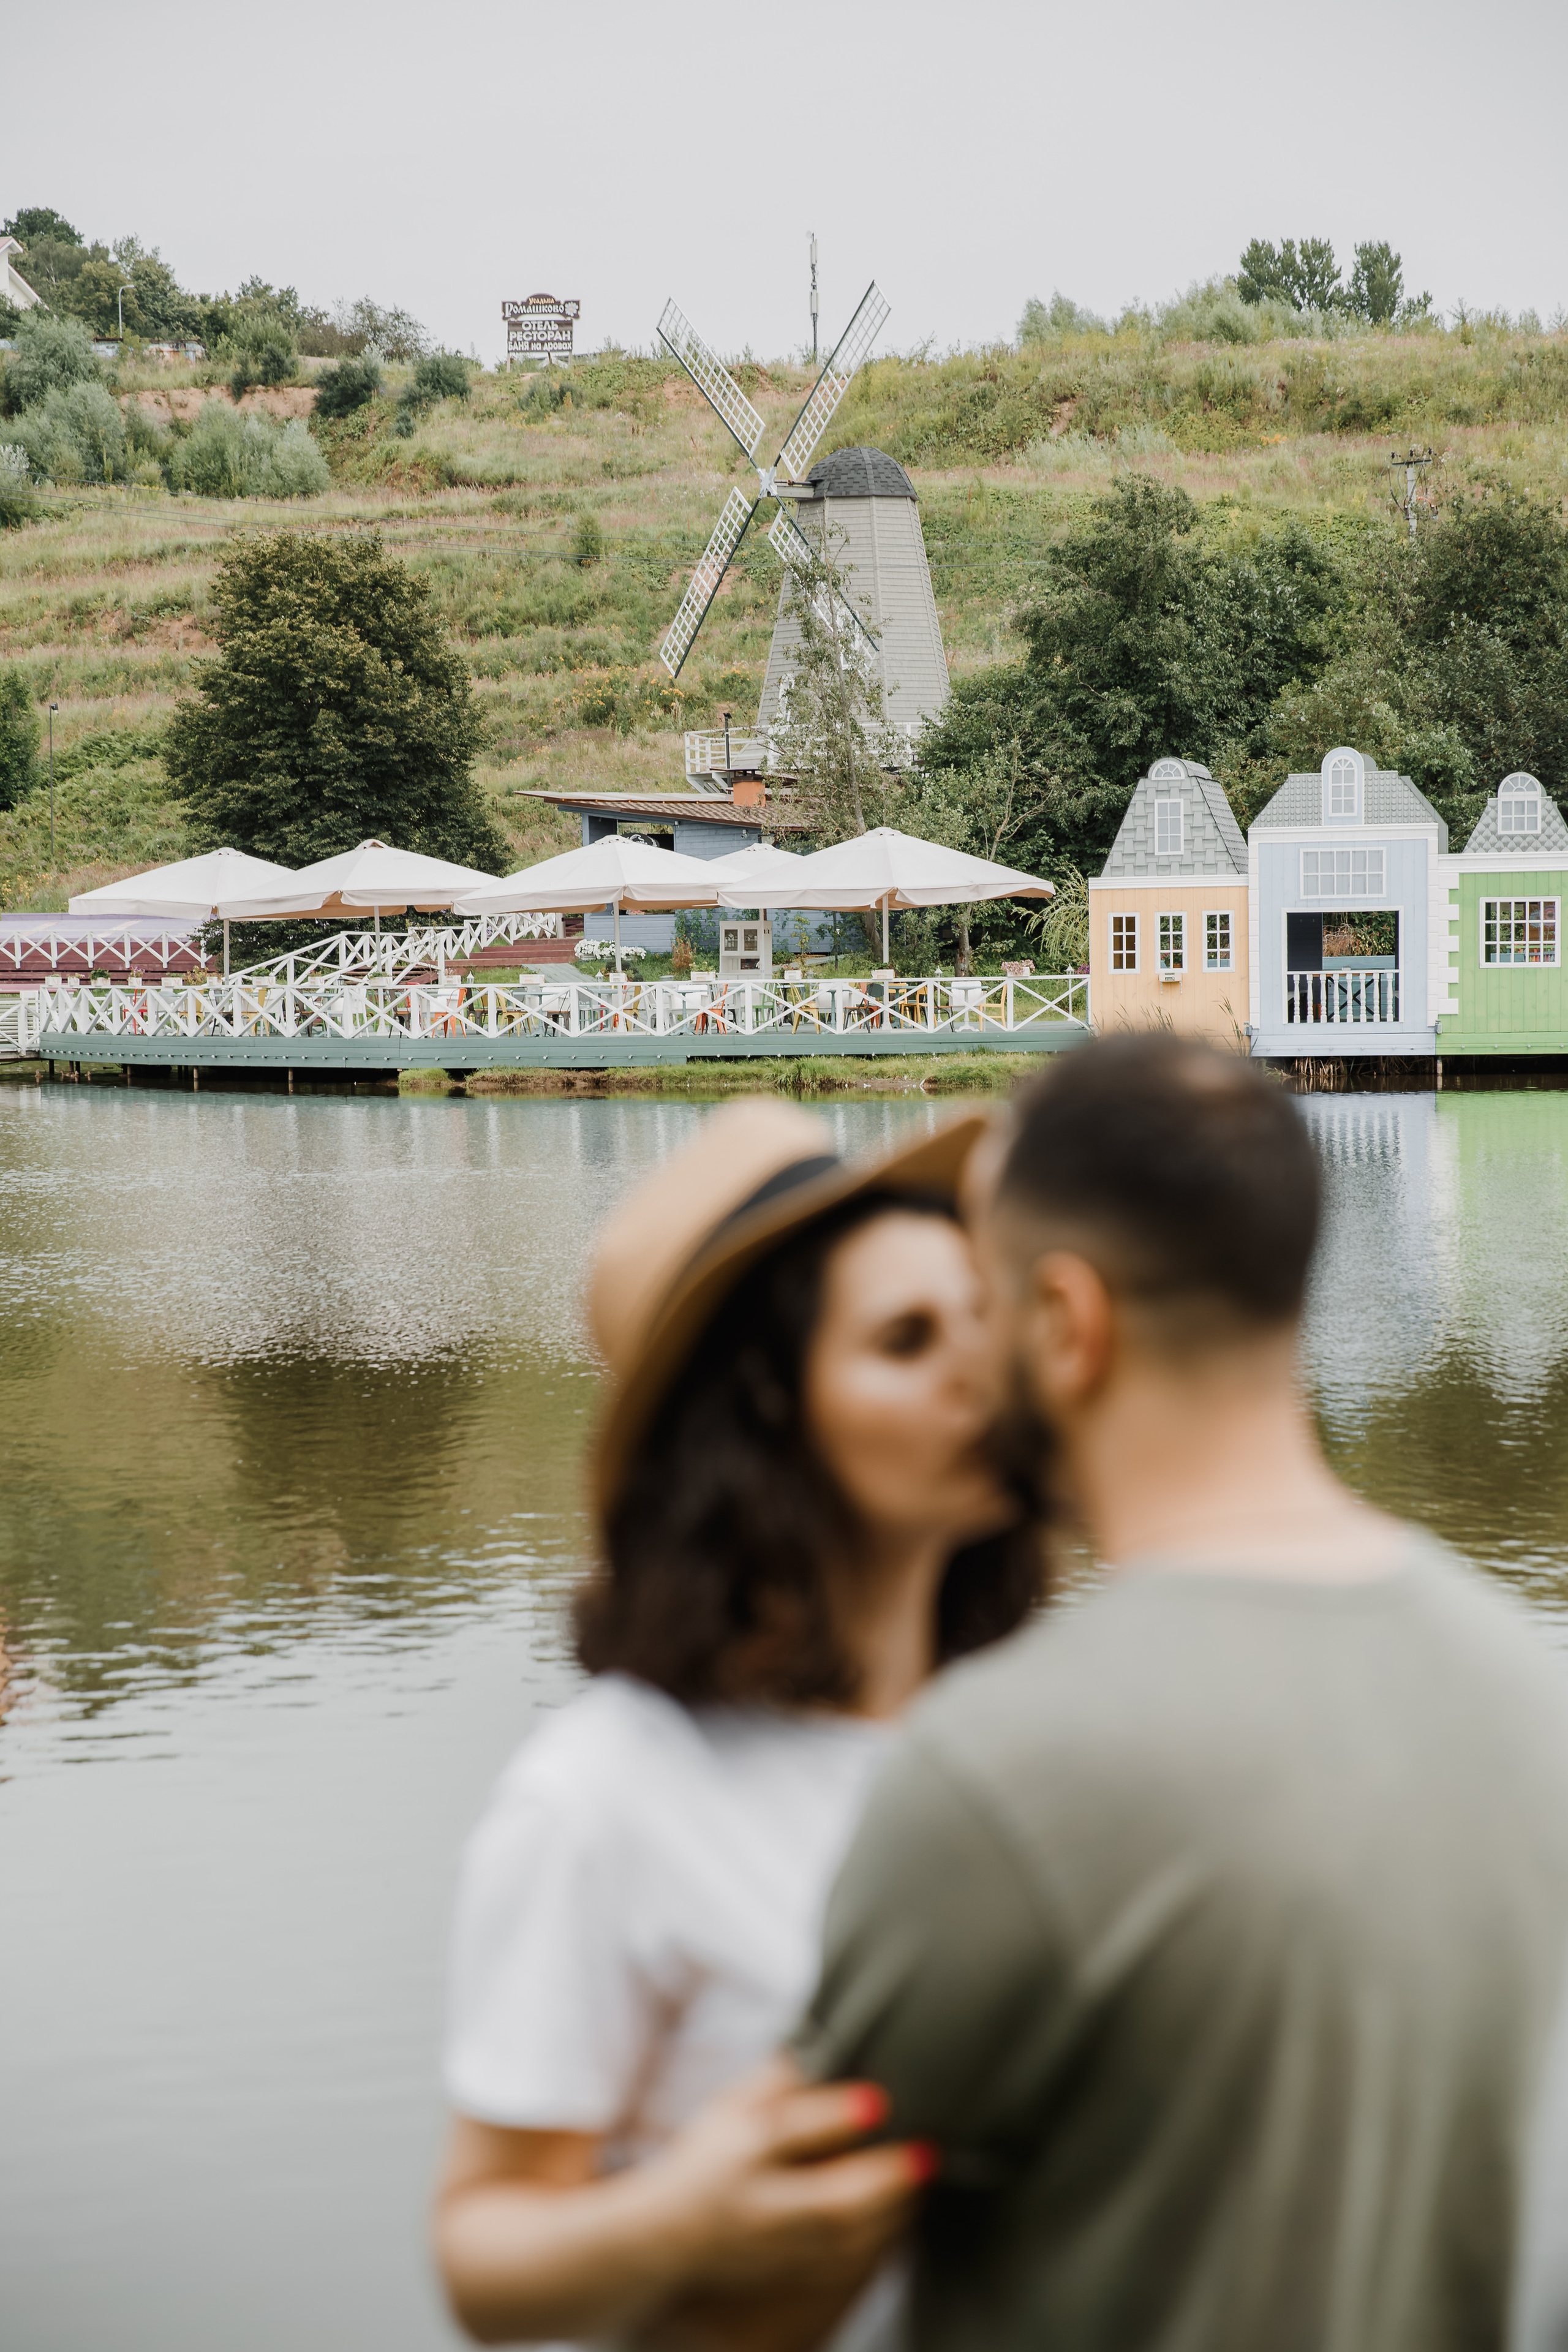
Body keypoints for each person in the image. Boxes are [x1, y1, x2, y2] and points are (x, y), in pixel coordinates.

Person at [787, 1034, 1568, 2352]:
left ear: (1066, 1323)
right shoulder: (1528, 1687)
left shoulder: (1000, 1769)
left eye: (984, 1302)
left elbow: (777, 2277)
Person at [434, 1099, 1044, 2350]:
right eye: (906, 1340)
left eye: (981, 1316)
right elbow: (481, 2256)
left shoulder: (1036, 1730)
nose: (977, 1373)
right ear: (765, 1414)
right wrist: (679, 2222)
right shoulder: (606, 1791)